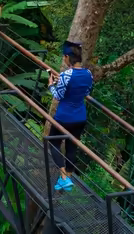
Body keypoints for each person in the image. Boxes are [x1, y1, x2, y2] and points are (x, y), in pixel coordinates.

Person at [47, 41, 94, 193]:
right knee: (71, 147)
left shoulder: (66, 75)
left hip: (64, 117)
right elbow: (86, 92)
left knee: (53, 143)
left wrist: (51, 85)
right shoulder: (88, 74)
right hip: (80, 117)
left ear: (67, 57)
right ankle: (66, 180)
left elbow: (58, 95)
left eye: (64, 57)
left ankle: (64, 178)